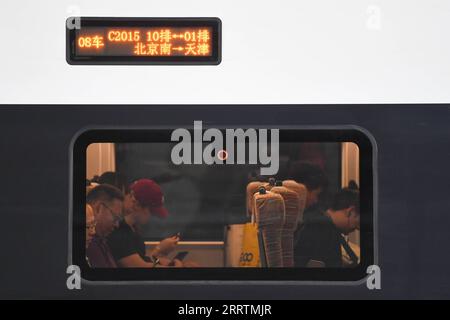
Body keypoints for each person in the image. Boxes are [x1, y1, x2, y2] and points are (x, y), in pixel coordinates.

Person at [107, 179, 184, 268]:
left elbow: (141, 260)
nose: (153, 217)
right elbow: (138, 267)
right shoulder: (119, 231)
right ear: (137, 205)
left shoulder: (133, 229)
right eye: (152, 212)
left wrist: (158, 254)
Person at [294, 188, 360, 268]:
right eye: (359, 220)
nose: (358, 227)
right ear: (350, 211)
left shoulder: (319, 219)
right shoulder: (324, 229)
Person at [86, 184, 124, 268]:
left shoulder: (101, 240)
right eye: (115, 217)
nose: (117, 225)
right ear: (98, 208)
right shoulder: (88, 243)